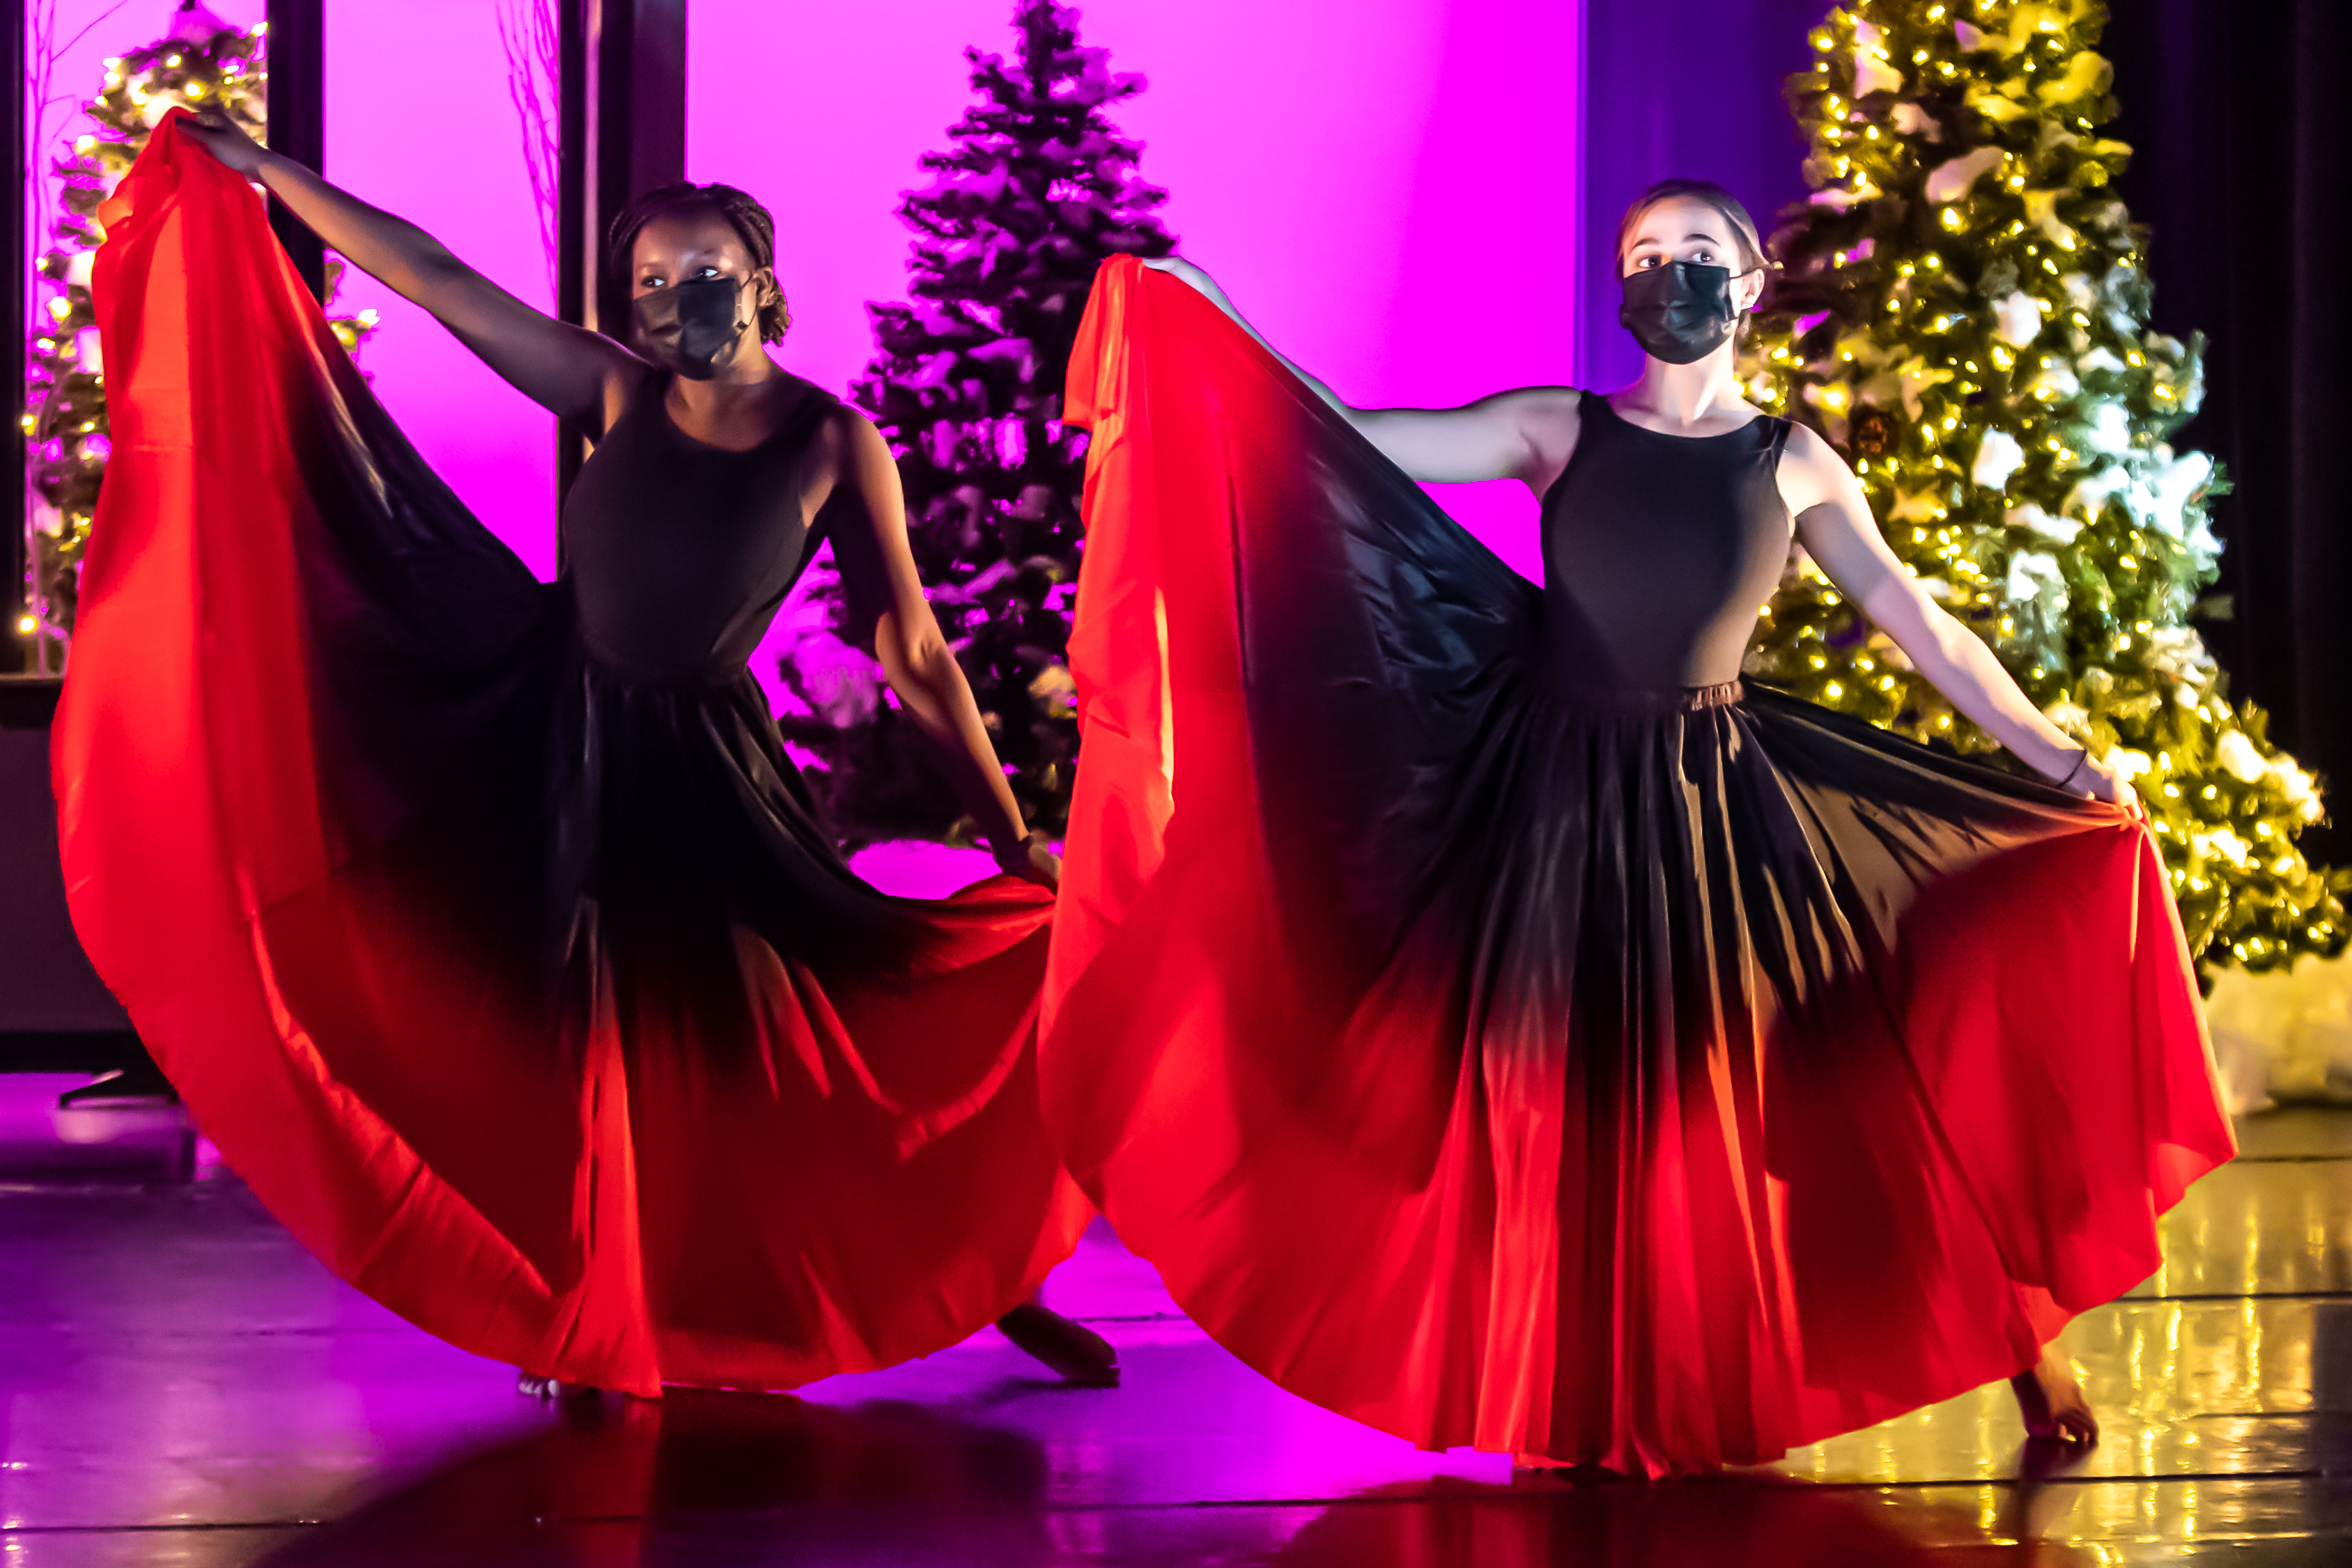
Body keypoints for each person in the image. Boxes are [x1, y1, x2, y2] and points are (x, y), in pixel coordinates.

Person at [1037, 178, 2236, 1476]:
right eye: (1644, 254)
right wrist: (1217, 324)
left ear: (1750, 282)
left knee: (1822, 1099)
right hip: (1548, 800)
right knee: (1550, 1107)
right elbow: (1345, 437)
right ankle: (1558, 1394)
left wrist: (2053, 754)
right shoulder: (1558, 428)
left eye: (1697, 254)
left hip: (1721, 810)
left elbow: (1919, 622)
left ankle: (2019, 1347)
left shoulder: (1788, 459)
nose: (1670, 275)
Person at [54, 107, 1114, 1397]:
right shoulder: (619, 390)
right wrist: (270, 171)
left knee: (800, 1042)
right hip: (551, 728)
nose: (676, 302)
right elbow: (433, 277)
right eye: (651, 284)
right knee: (580, 1042)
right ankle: (591, 1311)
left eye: (704, 275)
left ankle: (995, 1286)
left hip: (705, 769)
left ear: (766, 288)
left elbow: (916, 651)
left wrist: (1007, 832)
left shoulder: (833, 439)